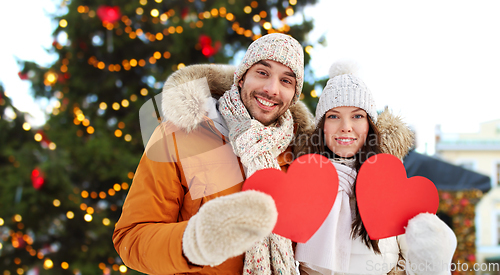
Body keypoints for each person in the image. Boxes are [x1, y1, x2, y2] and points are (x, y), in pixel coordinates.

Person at [112, 33, 315, 275]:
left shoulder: (299, 156)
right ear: (241, 78)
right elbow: (131, 238)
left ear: (293, 96)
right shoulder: (179, 135)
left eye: (286, 81)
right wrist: (195, 241)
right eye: (263, 72)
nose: (271, 89)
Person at [294, 61, 457, 275]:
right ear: (322, 126)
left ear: (369, 126)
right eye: (333, 116)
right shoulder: (301, 184)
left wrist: (435, 256)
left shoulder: (390, 188)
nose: (345, 126)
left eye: (357, 116)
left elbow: (412, 267)